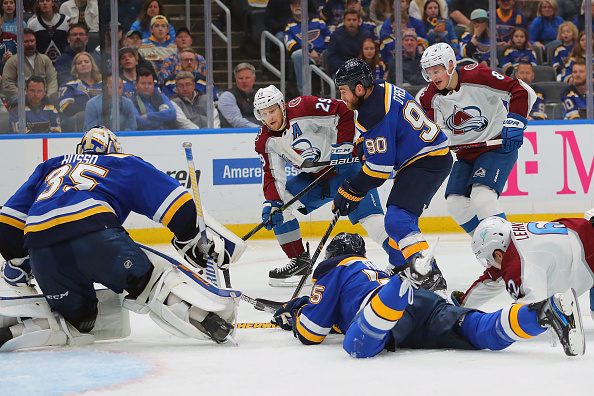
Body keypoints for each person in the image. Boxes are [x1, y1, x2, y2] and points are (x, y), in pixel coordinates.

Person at [0, 126, 245, 350]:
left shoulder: (50, 166)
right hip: (96, 235)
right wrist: (189, 238)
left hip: (43, 249)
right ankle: (209, 321)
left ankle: (13, 333)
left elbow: (8, 223)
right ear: (115, 150)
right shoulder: (122, 163)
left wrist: (19, 261)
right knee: (150, 284)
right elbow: (177, 203)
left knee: (78, 323)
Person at [271, 232, 585, 358]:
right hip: (423, 305)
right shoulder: (367, 271)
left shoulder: (333, 268)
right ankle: (546, 311)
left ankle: (404, 282)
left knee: (358, 346)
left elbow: (312, 332)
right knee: (479, 331)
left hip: (385, 311)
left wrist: (296, 315)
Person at [332, 58, 451, 292]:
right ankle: (400, 266)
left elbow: (378, 172)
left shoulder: (372, 112)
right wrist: (362, 144)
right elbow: (387, 130)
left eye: (343, 91)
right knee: (399, 219)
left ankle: (429, 275)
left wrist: (350, 190)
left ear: (359, 87)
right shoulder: (381, 89)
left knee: (397, 219)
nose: (342, 97)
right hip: (426, 157)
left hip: (425, 160)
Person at [253, 85, 390, 287]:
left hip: (347, 169)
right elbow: (272, 175)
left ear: (282, 106)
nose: (269, 117)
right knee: (280, 207)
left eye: (272, 110)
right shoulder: (265, 140)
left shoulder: (304, 107)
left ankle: (403, 259)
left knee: (371, 220)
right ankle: (299, 261)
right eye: (263, 114)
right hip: (315, 178)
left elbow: (343, 112)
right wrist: (271, 202)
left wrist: (343, 146)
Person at [419, 43, 536, 235]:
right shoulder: (429, 97)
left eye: (437, 71)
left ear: (450, 65)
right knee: (456, 204)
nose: (434, 77)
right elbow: (433, 133)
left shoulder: (478, 76)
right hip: (466, 154)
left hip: (497, 147)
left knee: (483, 198)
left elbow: (520, 90)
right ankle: (490, 253)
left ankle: (510, 253)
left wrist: (515, 121)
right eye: (429, 72)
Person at [451, 215, 594, 325]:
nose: (489, 264)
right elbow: (492, 279)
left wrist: (482, 325)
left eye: (489, 259)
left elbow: (531, 309)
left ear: (498, 254)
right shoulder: (511, 234)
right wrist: (461, 306)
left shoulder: (518, 264)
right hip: (583, 229)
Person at [284, 0, 332, 95]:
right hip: (306, 56)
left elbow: (329, 35)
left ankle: (331, 91)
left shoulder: (317, 21)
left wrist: (324, 51)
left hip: (324, 54)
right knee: (297, 55)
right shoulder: (289, 26)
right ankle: (304, 94)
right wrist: (309, 51)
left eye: (300, 3)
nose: (297, 6)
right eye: (294, 4)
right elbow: (290, 44)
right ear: (290, 7)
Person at [1, 28, 59, 105]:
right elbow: (7, 84)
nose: (30, 44)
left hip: (45, 100)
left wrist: (47, 97)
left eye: (32, 41)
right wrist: (26, 97)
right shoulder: (12, 61)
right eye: (26, 41)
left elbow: (52, 80)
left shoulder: (45, 59)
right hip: (21, 101)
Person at [59, 51, 103, 132]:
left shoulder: (102, 83)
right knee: (83, 117)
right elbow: (66, 107)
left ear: (92, 64)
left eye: (86, 62)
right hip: (79, 119)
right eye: (79, 63)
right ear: (75, 67)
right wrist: (89, 111)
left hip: (102, 115)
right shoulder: (70, 84)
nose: (83, 64)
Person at [326, 10, 373, 77]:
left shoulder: (366, 35)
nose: (351, 22)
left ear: (359, 22)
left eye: (354, 20)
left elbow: (371, 55)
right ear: (343, 22)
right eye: (348, 20)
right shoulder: (336, 35)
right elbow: (331, 57)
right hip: (341, 71)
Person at [218, 62, 259, 128]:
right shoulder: (227, 96)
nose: (244, 81)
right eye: (240, 78)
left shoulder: (262, 94)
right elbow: (236, 121)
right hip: (233, 135)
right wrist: (259, 128)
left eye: (247, 78)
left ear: (254, 78)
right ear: (236, 79)